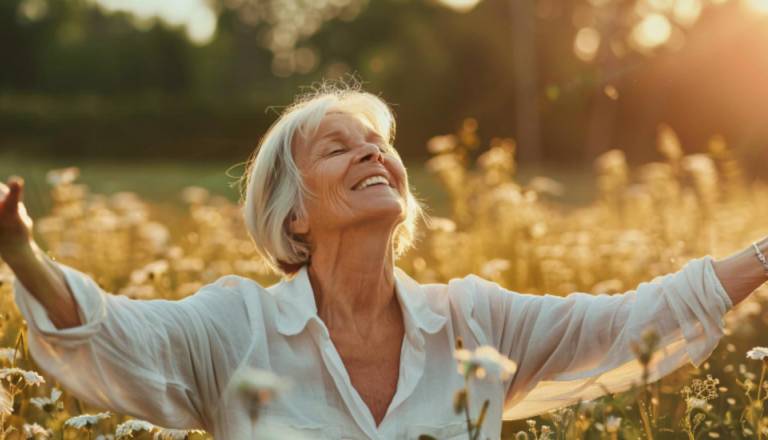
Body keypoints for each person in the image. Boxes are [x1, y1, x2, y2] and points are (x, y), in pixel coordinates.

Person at [0, 86, 765, 440]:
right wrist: (20, 252)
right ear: (292, 214)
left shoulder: (476, 322)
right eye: (337, 147)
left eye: (379, 144)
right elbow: (107, 332)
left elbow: (633, 319)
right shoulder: (237, 328)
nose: (373, 151)